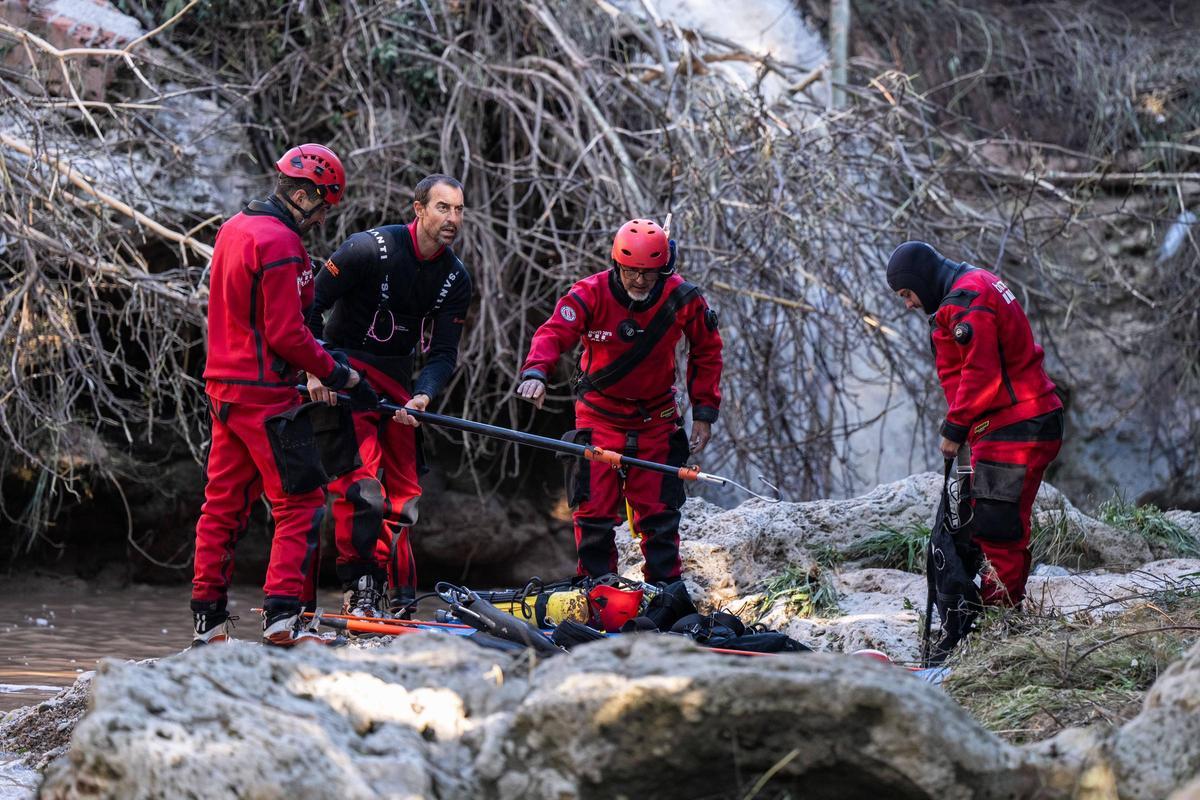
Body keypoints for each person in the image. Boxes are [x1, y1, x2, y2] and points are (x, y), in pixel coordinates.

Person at [191, 143, 361, 647]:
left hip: (222, 390)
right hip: (265, 396)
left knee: (222, 507)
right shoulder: (281, 243)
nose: (324, 217)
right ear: (304, 195)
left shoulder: (234, 228)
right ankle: (284, 622)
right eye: (324, 206)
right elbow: (287, 333)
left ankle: (208, 624)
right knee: (301, 503)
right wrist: (337, 374)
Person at [516, 218, 723, 585]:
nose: (639, 280)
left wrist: (704, 413)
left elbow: (707, 350)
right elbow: (553, 333)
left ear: (663, 269)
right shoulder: (589, 293)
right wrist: (536, 372)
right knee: (592, 515)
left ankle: (664, 592)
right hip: (599, 419)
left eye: (648, 273)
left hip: (656, 421)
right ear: (616, 264)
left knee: (660, 517)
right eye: (631, 271)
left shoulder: (682, 298)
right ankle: (599, 592)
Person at [305, 175, 472, 618]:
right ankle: (360, 591)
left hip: (398, 387)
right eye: (443, 208)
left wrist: (424, 396)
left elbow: (443, 354)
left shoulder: (456, 277)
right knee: (363, 489)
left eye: (458, 210)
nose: (452, 218)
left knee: (405, 495)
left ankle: (400, 600)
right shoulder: (367, 248)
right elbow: (310, 308)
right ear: (418, 209)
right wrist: (316, 368)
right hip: (344, 377)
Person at [887, 240, 1064, 606]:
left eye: (907, 293)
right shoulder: (976, 282)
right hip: (1023, 420)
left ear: (920, 280)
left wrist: (954, 428)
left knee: (997, 529)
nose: (908, 304)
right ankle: (1003, 608)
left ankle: (997, 618)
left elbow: (982, 373)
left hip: (1014, 427)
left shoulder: (966, 300)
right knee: (1002, 523)